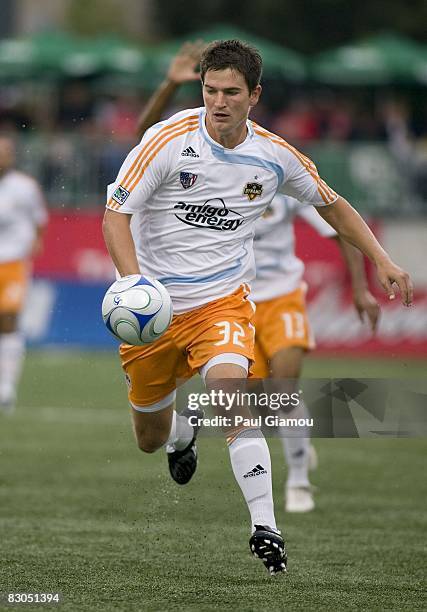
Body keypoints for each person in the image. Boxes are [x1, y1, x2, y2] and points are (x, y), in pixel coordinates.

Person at [102, 40, 412, 575]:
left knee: (230, 393)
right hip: (154, 307)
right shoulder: (169, 140)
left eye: (231, 93)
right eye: (210, 90)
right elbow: (115, 216)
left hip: (222, 302)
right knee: (149, 440)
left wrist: (380, 258)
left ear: (255, 96)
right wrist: (135, 284)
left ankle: (265, 526)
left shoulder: (274, 156)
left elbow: (333, 206)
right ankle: (181, 434)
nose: (218, 102)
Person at [251, 195, 380, 512]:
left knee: (283, 390)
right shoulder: (215, 178)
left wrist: (360, 288)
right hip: (237, 302)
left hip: (283, 298)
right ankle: (299, 442)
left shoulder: (284, 180)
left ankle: (298, 481)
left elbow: (340, 228)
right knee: (252, 400)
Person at [0, 136, 48, 414]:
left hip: (13, 263)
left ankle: (6, 386)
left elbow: (39, 218)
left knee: (8, 319)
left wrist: (36, 241)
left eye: (5, 152)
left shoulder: (25, 187)